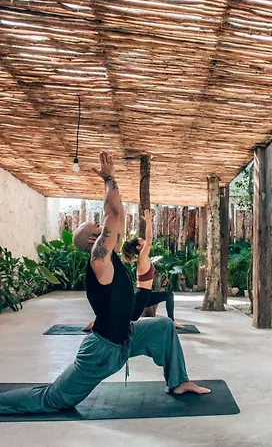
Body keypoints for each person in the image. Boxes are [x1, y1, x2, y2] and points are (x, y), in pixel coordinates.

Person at [0, 151, 209, 415]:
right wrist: (109, 178)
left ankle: (178, 382)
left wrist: (109, 182)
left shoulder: (110, 256)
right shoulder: (99, 261)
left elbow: (115, 215)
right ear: (93, 240)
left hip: (126, 338)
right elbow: (114, 214)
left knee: (163, 326)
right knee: (53, 399)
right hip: (101, 351)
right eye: (96, 227)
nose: (103, 226)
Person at [83, 209, 183, 331]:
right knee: (128, 318)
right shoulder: (142, 257)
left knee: (168, 295)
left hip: (145, 294)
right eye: (142, 241)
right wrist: (148, 221)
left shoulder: (144, 257)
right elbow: (149, 238)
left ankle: (172, 321)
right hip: (141, 295)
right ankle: (96, 324)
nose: (145, 241)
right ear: (139, 247)